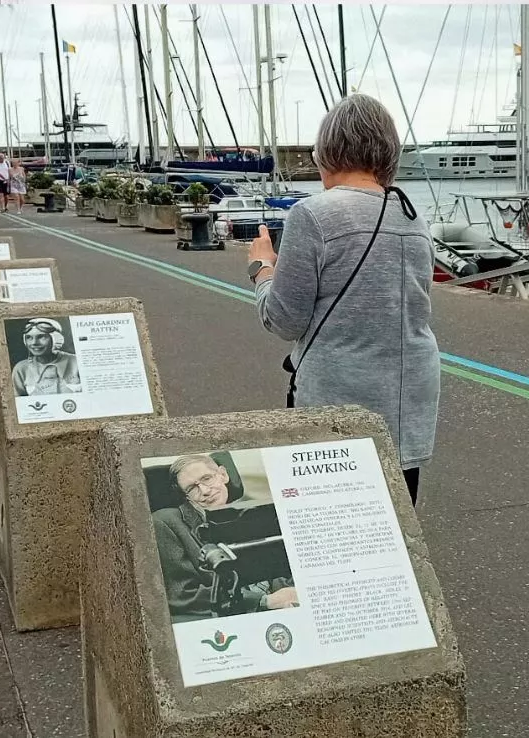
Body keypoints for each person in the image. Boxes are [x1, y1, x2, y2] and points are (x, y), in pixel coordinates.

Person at [247, 93, 440, 507]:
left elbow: (283, 320)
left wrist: (262, 268)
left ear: (327, 153)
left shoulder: (313, 215)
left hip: (340, 397)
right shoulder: (412, 216)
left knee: (334, 526)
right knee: (395, 520)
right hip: (410, 399)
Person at [153, 454, 298, 623]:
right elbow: (182, 595)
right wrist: (264, 601)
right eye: (192, 488)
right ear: (185, 496)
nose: (205, 491)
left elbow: (283, 567)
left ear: (223, 475)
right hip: (231, 617)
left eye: (207, 478)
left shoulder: (252, 510)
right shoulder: (165, 522)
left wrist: (288, 595)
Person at [11, 318, 81, 396]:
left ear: (56, 340)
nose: (34, 343)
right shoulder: (21, 368)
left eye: (41, 337)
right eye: (29, 337)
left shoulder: (77, 362)